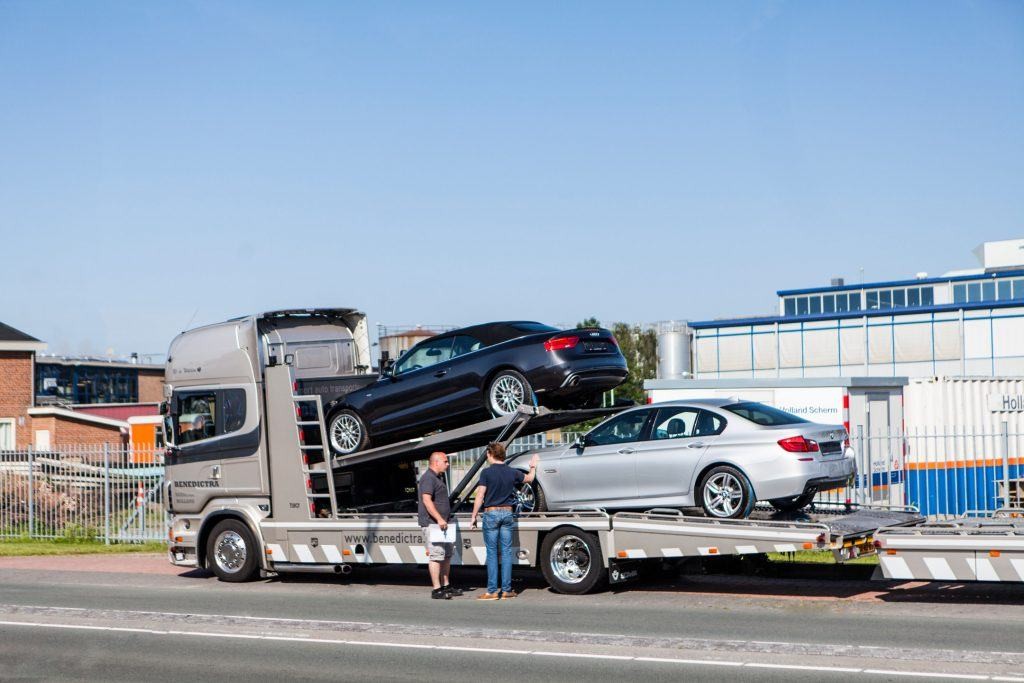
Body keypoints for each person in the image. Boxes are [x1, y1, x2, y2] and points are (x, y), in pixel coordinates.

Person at [470, 443, 540, 600]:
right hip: (508, 514)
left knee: (493, 553)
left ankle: (492, 591)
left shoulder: (486, 473)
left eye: (487, 454)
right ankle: (507, 590)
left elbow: (480, 495)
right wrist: (533, 466)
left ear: (490, 454)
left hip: (491, 514)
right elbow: (529, 478)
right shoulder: (512, 472)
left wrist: (473, 515)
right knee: (507, 553)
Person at [418, 451, 462, 599]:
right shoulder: (428, 478)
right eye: (445, 461)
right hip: (433, 524)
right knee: (436, 556)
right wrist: (439, 519)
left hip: (443, 524)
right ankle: (437, 590)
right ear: (436, 462)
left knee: (447, 555)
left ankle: (446, 585)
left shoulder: (437, 478)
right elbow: (426, 500)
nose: (448, 464)